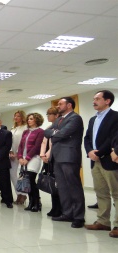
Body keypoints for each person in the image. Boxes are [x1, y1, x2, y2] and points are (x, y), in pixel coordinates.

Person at [44, 97, 85, 229]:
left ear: (69, 105)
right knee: (62, 187)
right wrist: (55, 132)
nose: (58, 106)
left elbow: (63, 134)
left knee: (73, 187)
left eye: (60, 104)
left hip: (69, 157)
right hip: (57, 157)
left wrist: (55, 133)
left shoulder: (75, 118)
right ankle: (67, 213)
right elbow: (47, 132)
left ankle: (78, 217)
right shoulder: (59, 119)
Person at [84, 90, 118, 237]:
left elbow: (113, 138)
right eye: (94, 99)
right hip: (95, 161)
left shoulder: (115, 117)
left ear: (107, 101)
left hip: (109, 161)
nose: (94, 101)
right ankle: (103, 222)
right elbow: (87, 138)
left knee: (116, 193)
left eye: (97, 98)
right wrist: (90, 151)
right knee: (101, 193)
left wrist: (99, 153)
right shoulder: (93, 119)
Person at [16, 113, 44, 212]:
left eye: (31, 119)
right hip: (22, 159)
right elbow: (20, 146)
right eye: (28, 119)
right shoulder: (25, 132)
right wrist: (19, 157)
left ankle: (37, 203)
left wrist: (27, 158)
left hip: (33, 158)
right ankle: (31, 202)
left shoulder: (40, 132)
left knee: (31, 181)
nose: (29, 120)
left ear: (37, 120)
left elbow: (37, 146)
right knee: (26, 182)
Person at [40, 107, 62, 217]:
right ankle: (54, 207)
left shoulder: (59, 128)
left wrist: (48, 154)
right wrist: (42, 154)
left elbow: (54, 144)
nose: (48, 116)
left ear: (56, 115)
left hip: (55, 158)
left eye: (49, 114)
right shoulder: (49, 127)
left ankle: (60, 208)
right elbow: (44, 143)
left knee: (58, 184)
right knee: (51, 183)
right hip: (47, 159)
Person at [9, 110, 27, 205]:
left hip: (21, 154)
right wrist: (11, 151)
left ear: (22, 117)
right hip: (12, 155)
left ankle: (23, 194)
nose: (16, 118)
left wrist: (18, 153)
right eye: (15, 116)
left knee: (21, 176)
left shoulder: (25, 127)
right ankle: (18, 193)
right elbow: (10, 141)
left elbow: (24, 142)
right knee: (13, 175)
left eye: (18, 116)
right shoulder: (13, 128)